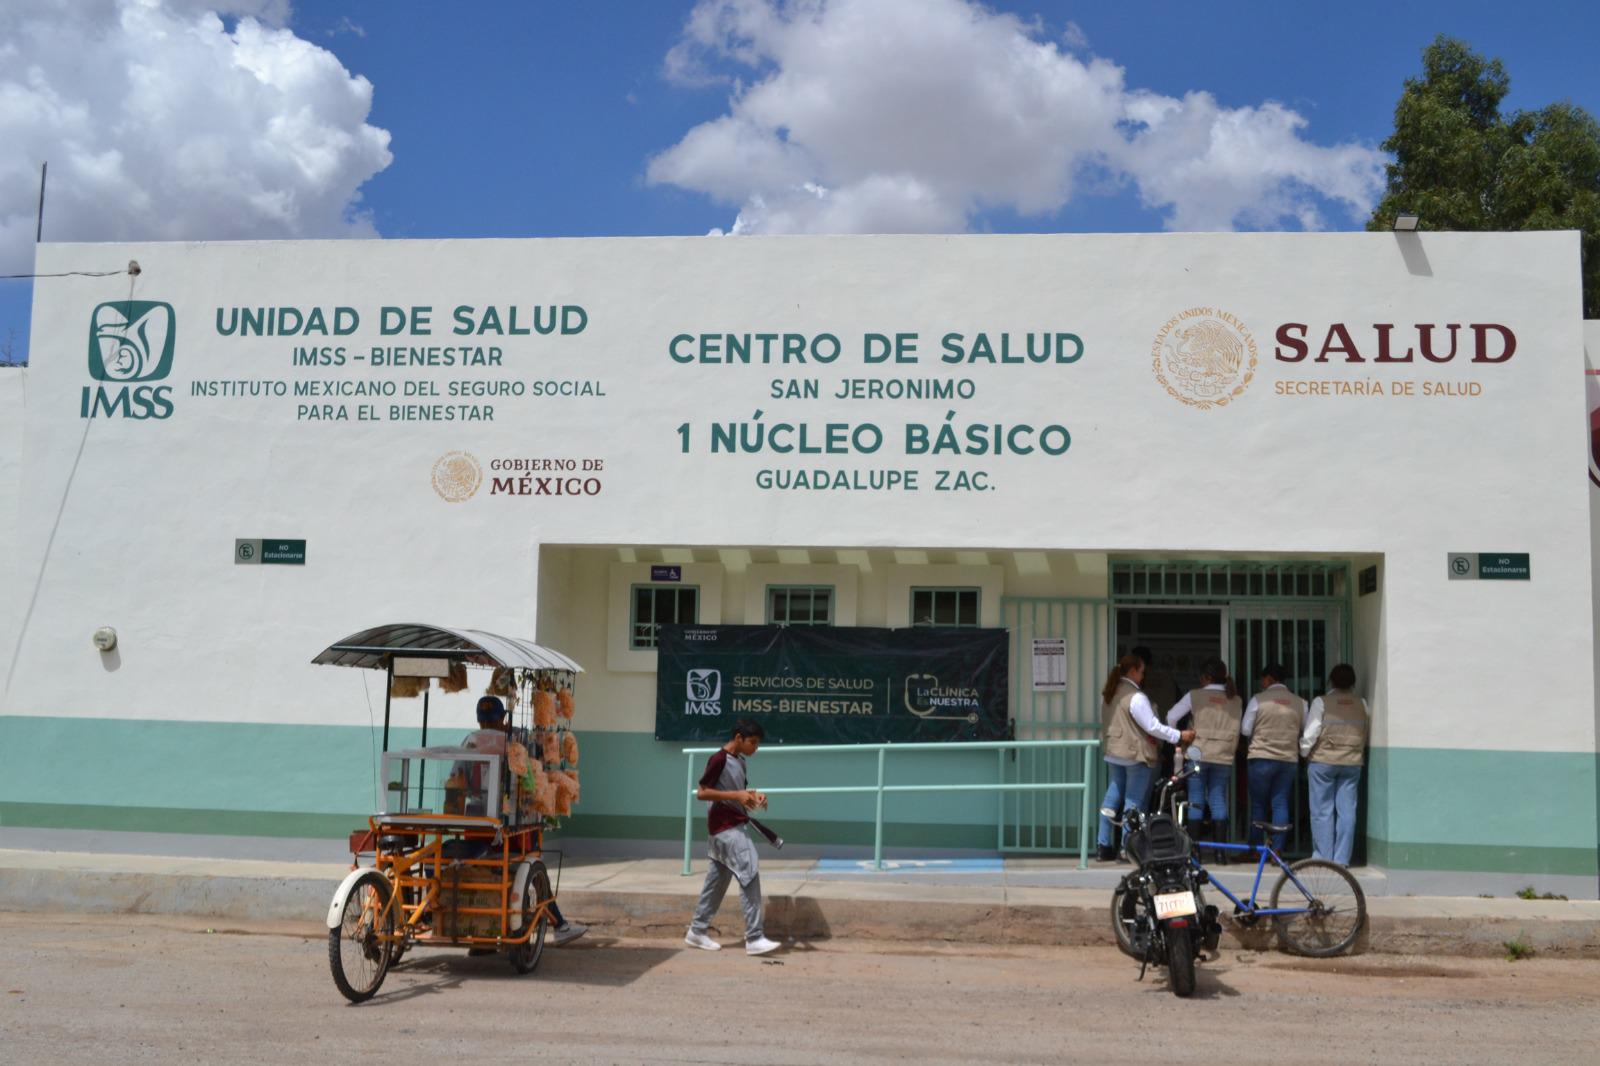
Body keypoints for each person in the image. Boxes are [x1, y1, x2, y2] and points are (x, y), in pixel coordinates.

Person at [464, 695, 587, 947]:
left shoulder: (470, 742)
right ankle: (559, 924)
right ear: (504, 719)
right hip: (513, 827)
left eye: (488, 721)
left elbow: (456, 779)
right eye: (489, 721)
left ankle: (482, 938)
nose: (488, 725)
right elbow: (531, 780)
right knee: (534, 870)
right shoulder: (516, 741)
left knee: (484, 876)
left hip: (476, 824)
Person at [684, 718, 781, 956]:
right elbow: (702, 792)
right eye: (753, 743)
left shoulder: (741, 762)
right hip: (725, 828)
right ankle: (755, 936)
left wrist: (754, 797)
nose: (755, 748)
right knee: (749, 870)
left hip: (730, 826)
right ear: (738, 738)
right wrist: (737, 795)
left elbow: (740, 794)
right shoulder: (718, 759)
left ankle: (697, 931)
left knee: (716, 882)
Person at [1096, 653, 1195, 862]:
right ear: (1133, 671)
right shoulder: (1136, 697)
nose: (1143, 677)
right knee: (1134, 803)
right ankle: (1126, 849)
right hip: (1135, 755)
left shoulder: (1108, 693)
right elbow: (1152, 726)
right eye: (1141, 672)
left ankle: (1103, 846)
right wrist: (1178, 735)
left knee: (1111, 799)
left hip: (1114, 753)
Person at [1163, 657, 1242, 861]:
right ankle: (1220, 853)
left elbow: (1171, 716)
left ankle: (1194, 851)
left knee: (1196, 800)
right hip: (1223, 755)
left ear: (1206, 677)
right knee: (1217, 799)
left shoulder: (1194, 696)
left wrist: (1178, 738)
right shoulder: (1236, 699)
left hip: (1198, 753)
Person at [1301, 664, 1369, 866]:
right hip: (1351, 762)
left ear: (1331, 680)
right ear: (1353, 683)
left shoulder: (1321, 702)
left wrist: (1304, 753)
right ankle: (1341, 861)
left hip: (1323, 761)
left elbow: (1311, 733)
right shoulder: (1362, 704)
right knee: (1347, 811)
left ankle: (1323, 858)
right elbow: (1364, 732)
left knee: (1322, 811)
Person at [1240, 663, 1305, 853]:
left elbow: (1245, 729)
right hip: (1288, 759)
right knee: (1280, 802)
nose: (1262, 683)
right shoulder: (1300, 702)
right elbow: (1306, 728)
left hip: (1261, 757)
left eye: (1263, 679)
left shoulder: (1258, 700)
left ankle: (1255, 850)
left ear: (1269, 679)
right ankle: (1277, 851)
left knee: (1259, 805)